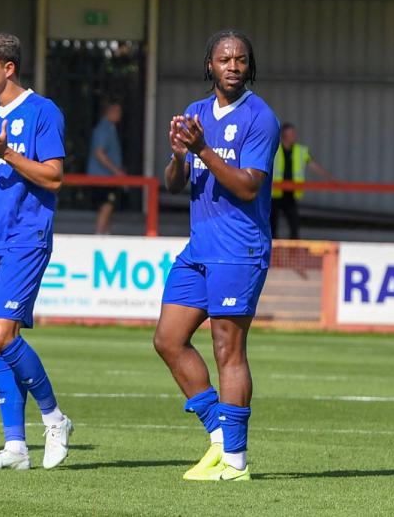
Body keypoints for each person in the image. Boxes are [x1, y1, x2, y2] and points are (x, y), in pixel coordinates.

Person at [155, 29, 279, 482]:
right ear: (209, 64)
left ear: (250, 66)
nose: (233, 66)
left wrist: (202, 149)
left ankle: (236, 461)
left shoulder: (260, 118)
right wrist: (178, 157)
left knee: (228, 349)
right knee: (168, 340)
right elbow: (173, 184)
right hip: (199, 247)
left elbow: (248, 186)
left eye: (240, 60)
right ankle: (219, 436)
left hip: (239, 248)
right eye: (224, 59)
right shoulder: (195, 112)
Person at [0, 32, 73, 471]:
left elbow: (54, 177)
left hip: (27, 236)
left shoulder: (43, 111)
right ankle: (15, 447)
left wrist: (6, 151)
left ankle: (55, 419)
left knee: (3, 335)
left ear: (8, 68)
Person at [270, 123, 335, 239]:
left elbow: (313, 165)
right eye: (291, 133)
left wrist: (329, 177)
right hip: (275, 192)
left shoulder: (300, 150)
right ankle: (273, 246)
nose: (294, 136)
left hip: (291, 192)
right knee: (272, 223)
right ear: (284, 135)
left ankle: (294, 246)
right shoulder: (274, 149)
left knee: (294, 222)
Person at [87, 99, 126, 234]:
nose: (120, 114)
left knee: (109, 205)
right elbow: (99, 153)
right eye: (117, 111)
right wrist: (116, 171)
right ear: (109, 111)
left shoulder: (110, 128)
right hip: (103, 177)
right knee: (107, 204)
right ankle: (99, 235)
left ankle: (106, 234)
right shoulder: (104, 129)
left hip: (108, 176)